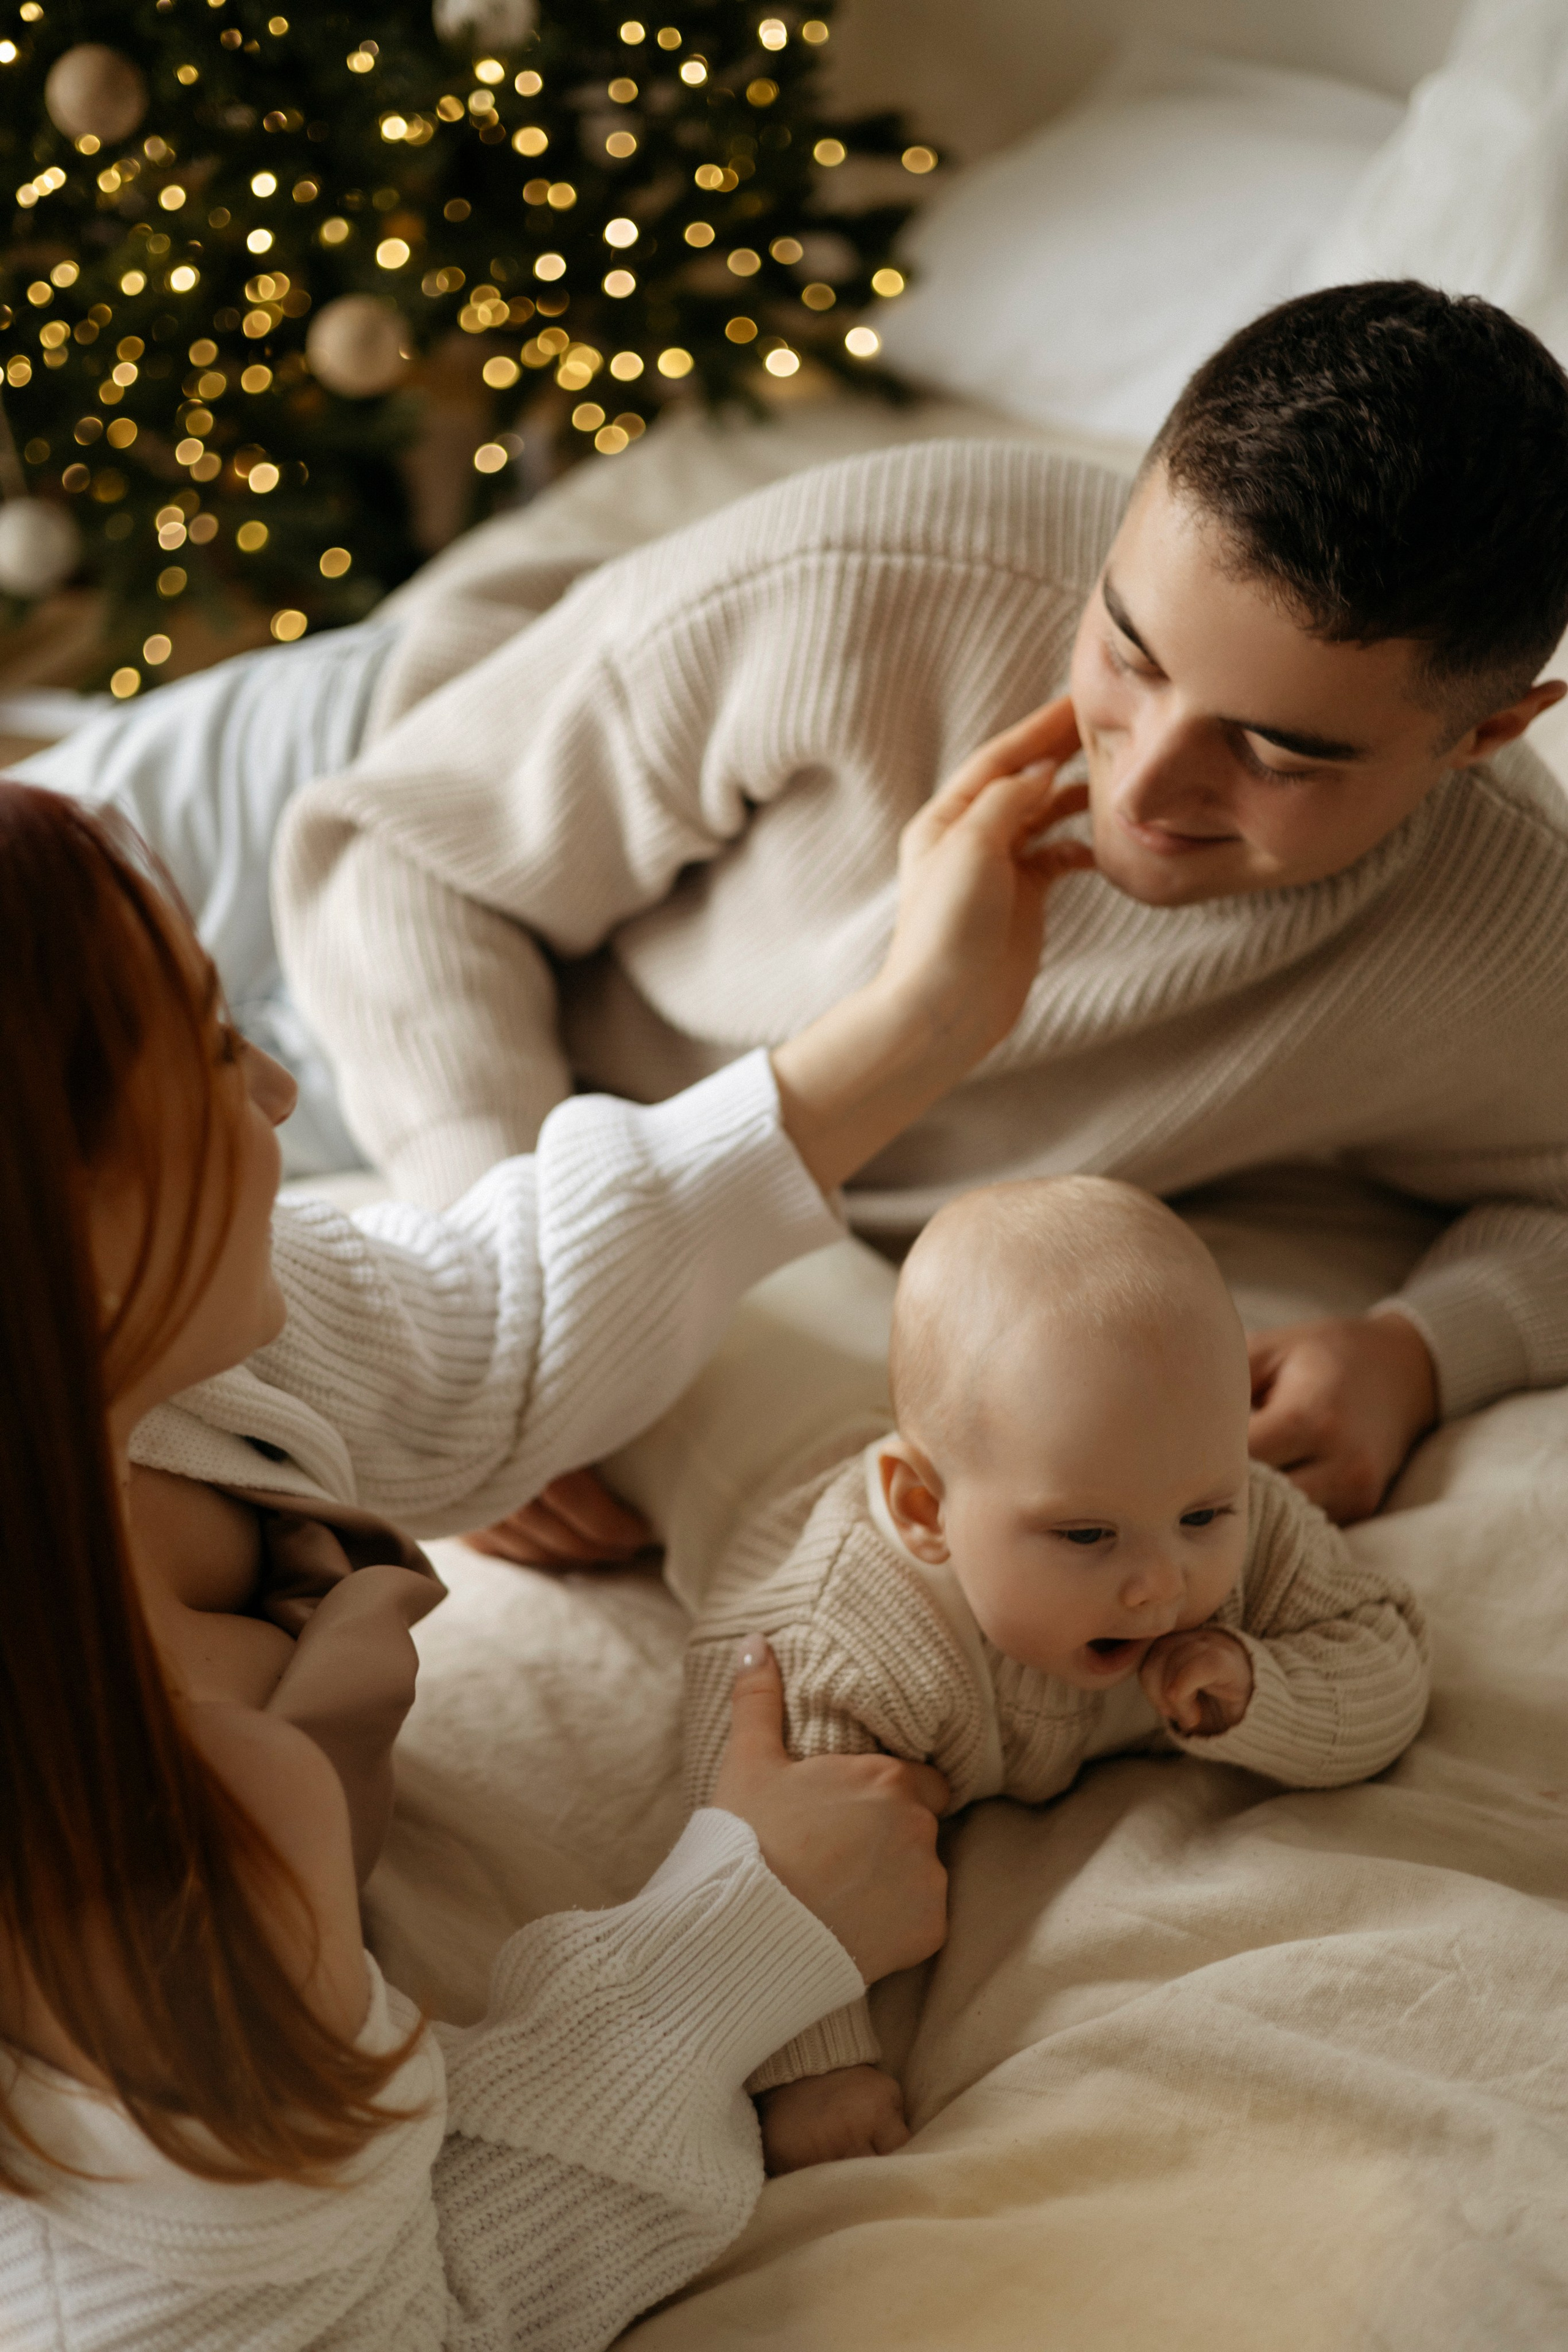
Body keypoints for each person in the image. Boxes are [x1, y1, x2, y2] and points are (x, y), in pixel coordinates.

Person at [0, 722, 1085, 2351]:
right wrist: (740, 1932)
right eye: (221, 1054)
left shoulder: (139, 1367)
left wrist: (917, 1025)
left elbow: (487, 1320)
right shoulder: (159, 1914)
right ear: (69, 1223)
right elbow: (413, 2315)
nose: (289, 1095)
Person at [270, 281, 1568, 1537]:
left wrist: (1419, 1350)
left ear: (1487, 731)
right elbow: (395, 856)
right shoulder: (874, 568)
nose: (1145, 780)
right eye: (1126, 652)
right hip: (352, 764)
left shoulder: (1510, 913)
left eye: (1279, 754)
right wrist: (522, 1308)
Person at [676, 1176, 1430, 2176]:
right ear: (922, 1511)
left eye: (1205, 1512)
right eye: (1086, 1534)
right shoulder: (846, 1647)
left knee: (894, 1329)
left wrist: (1263, 1688)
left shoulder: (1221, 1521)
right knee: (702, 1314)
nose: (1162, 1582)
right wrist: (815, 2069)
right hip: (718, 1424)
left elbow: (1385, 1656)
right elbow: (748, 1831)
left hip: (918, 1399)